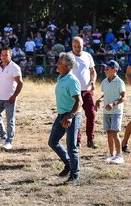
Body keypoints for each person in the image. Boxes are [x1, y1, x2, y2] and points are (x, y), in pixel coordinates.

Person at [48, 52, 82, 183]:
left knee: (71, 145)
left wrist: (70, 116)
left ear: (67, 65)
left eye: (59, 62)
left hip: (71, 116)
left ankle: (74, 174)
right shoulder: (61, 77)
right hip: (61, 115)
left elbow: (79, 102)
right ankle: (68, 164)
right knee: (52, 142)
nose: (57, 64)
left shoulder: (72, 80)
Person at [0, 47, 23, 150]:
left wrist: (14, 96)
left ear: (10, 55)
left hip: (10, 99)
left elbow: (20, 83)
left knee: (10, 120)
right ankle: (3, 136)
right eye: (2, 54)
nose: (4, 57)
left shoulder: (15, 67)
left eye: (6, 55)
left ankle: (9, 141)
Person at [95, 60, 125, 164]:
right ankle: (111, 155)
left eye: (107, 69)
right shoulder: (104, 82)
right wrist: (100, 100)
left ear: (114, 70)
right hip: (106, 112)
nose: (105, 71)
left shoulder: (120, 82)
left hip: (116, 111)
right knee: (108, 133)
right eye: (104, 69)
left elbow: (123, 98)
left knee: (115, 133)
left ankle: (119, 155)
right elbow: (105, 94)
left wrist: (113, 104)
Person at [70, 36, 97, 148]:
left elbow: (93, 71)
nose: (77, 48)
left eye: (79, 46)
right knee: (76, 115)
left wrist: (93, 81)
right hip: (74, 92)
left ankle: (90, 140)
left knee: (91, 114)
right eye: (75, 46)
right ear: (72, 46)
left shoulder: (88, 56)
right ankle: (77, 140)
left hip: (87, 90)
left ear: (83, 45)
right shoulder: (68, 56)